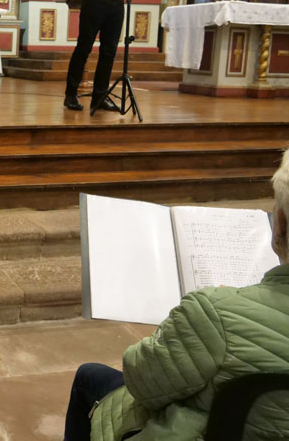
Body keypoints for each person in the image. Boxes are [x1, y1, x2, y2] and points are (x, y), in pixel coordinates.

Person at [63, 147, 289, 441]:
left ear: (281, 224)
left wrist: (180, 325)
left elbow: (142, 382)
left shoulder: (214, 314)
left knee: (88, 377)